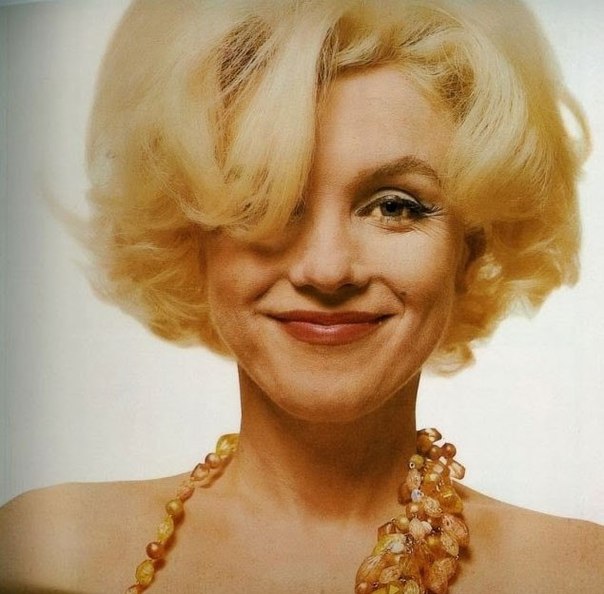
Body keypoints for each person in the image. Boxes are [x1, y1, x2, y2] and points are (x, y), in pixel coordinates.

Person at [0, 0, 602, 593]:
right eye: (265, 198)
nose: (327, 268)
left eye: (395, 205)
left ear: (472, 245)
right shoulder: (46, 555)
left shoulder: (575, 575)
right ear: (190, 236)